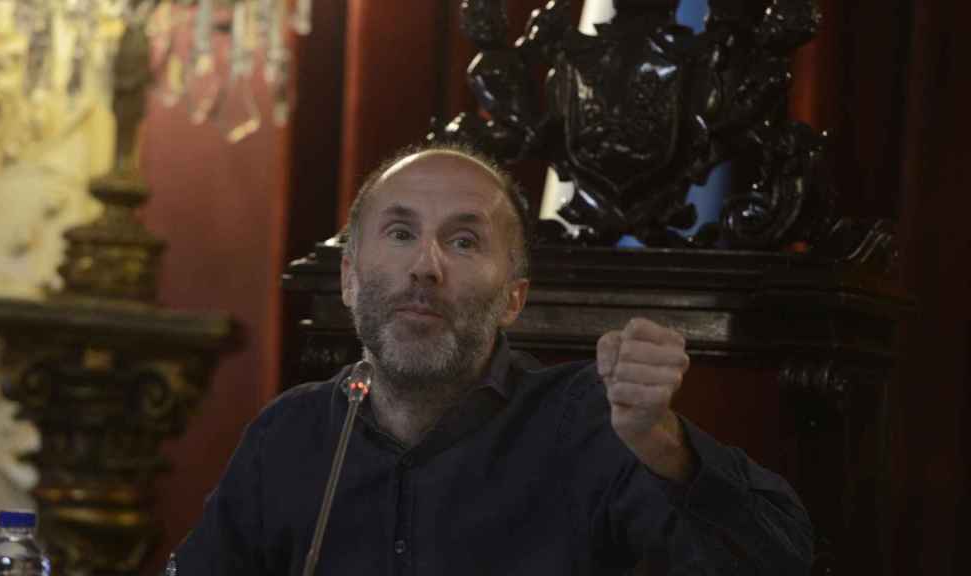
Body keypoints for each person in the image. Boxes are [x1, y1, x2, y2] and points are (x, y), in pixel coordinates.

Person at [169, 143, 813, 575]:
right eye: (400, 233)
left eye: (465, 240)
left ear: (513, 298)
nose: (426, 266)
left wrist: (664, 445)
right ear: (348, 279)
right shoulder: (288, 437)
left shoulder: (590, 424)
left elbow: (783, 557)